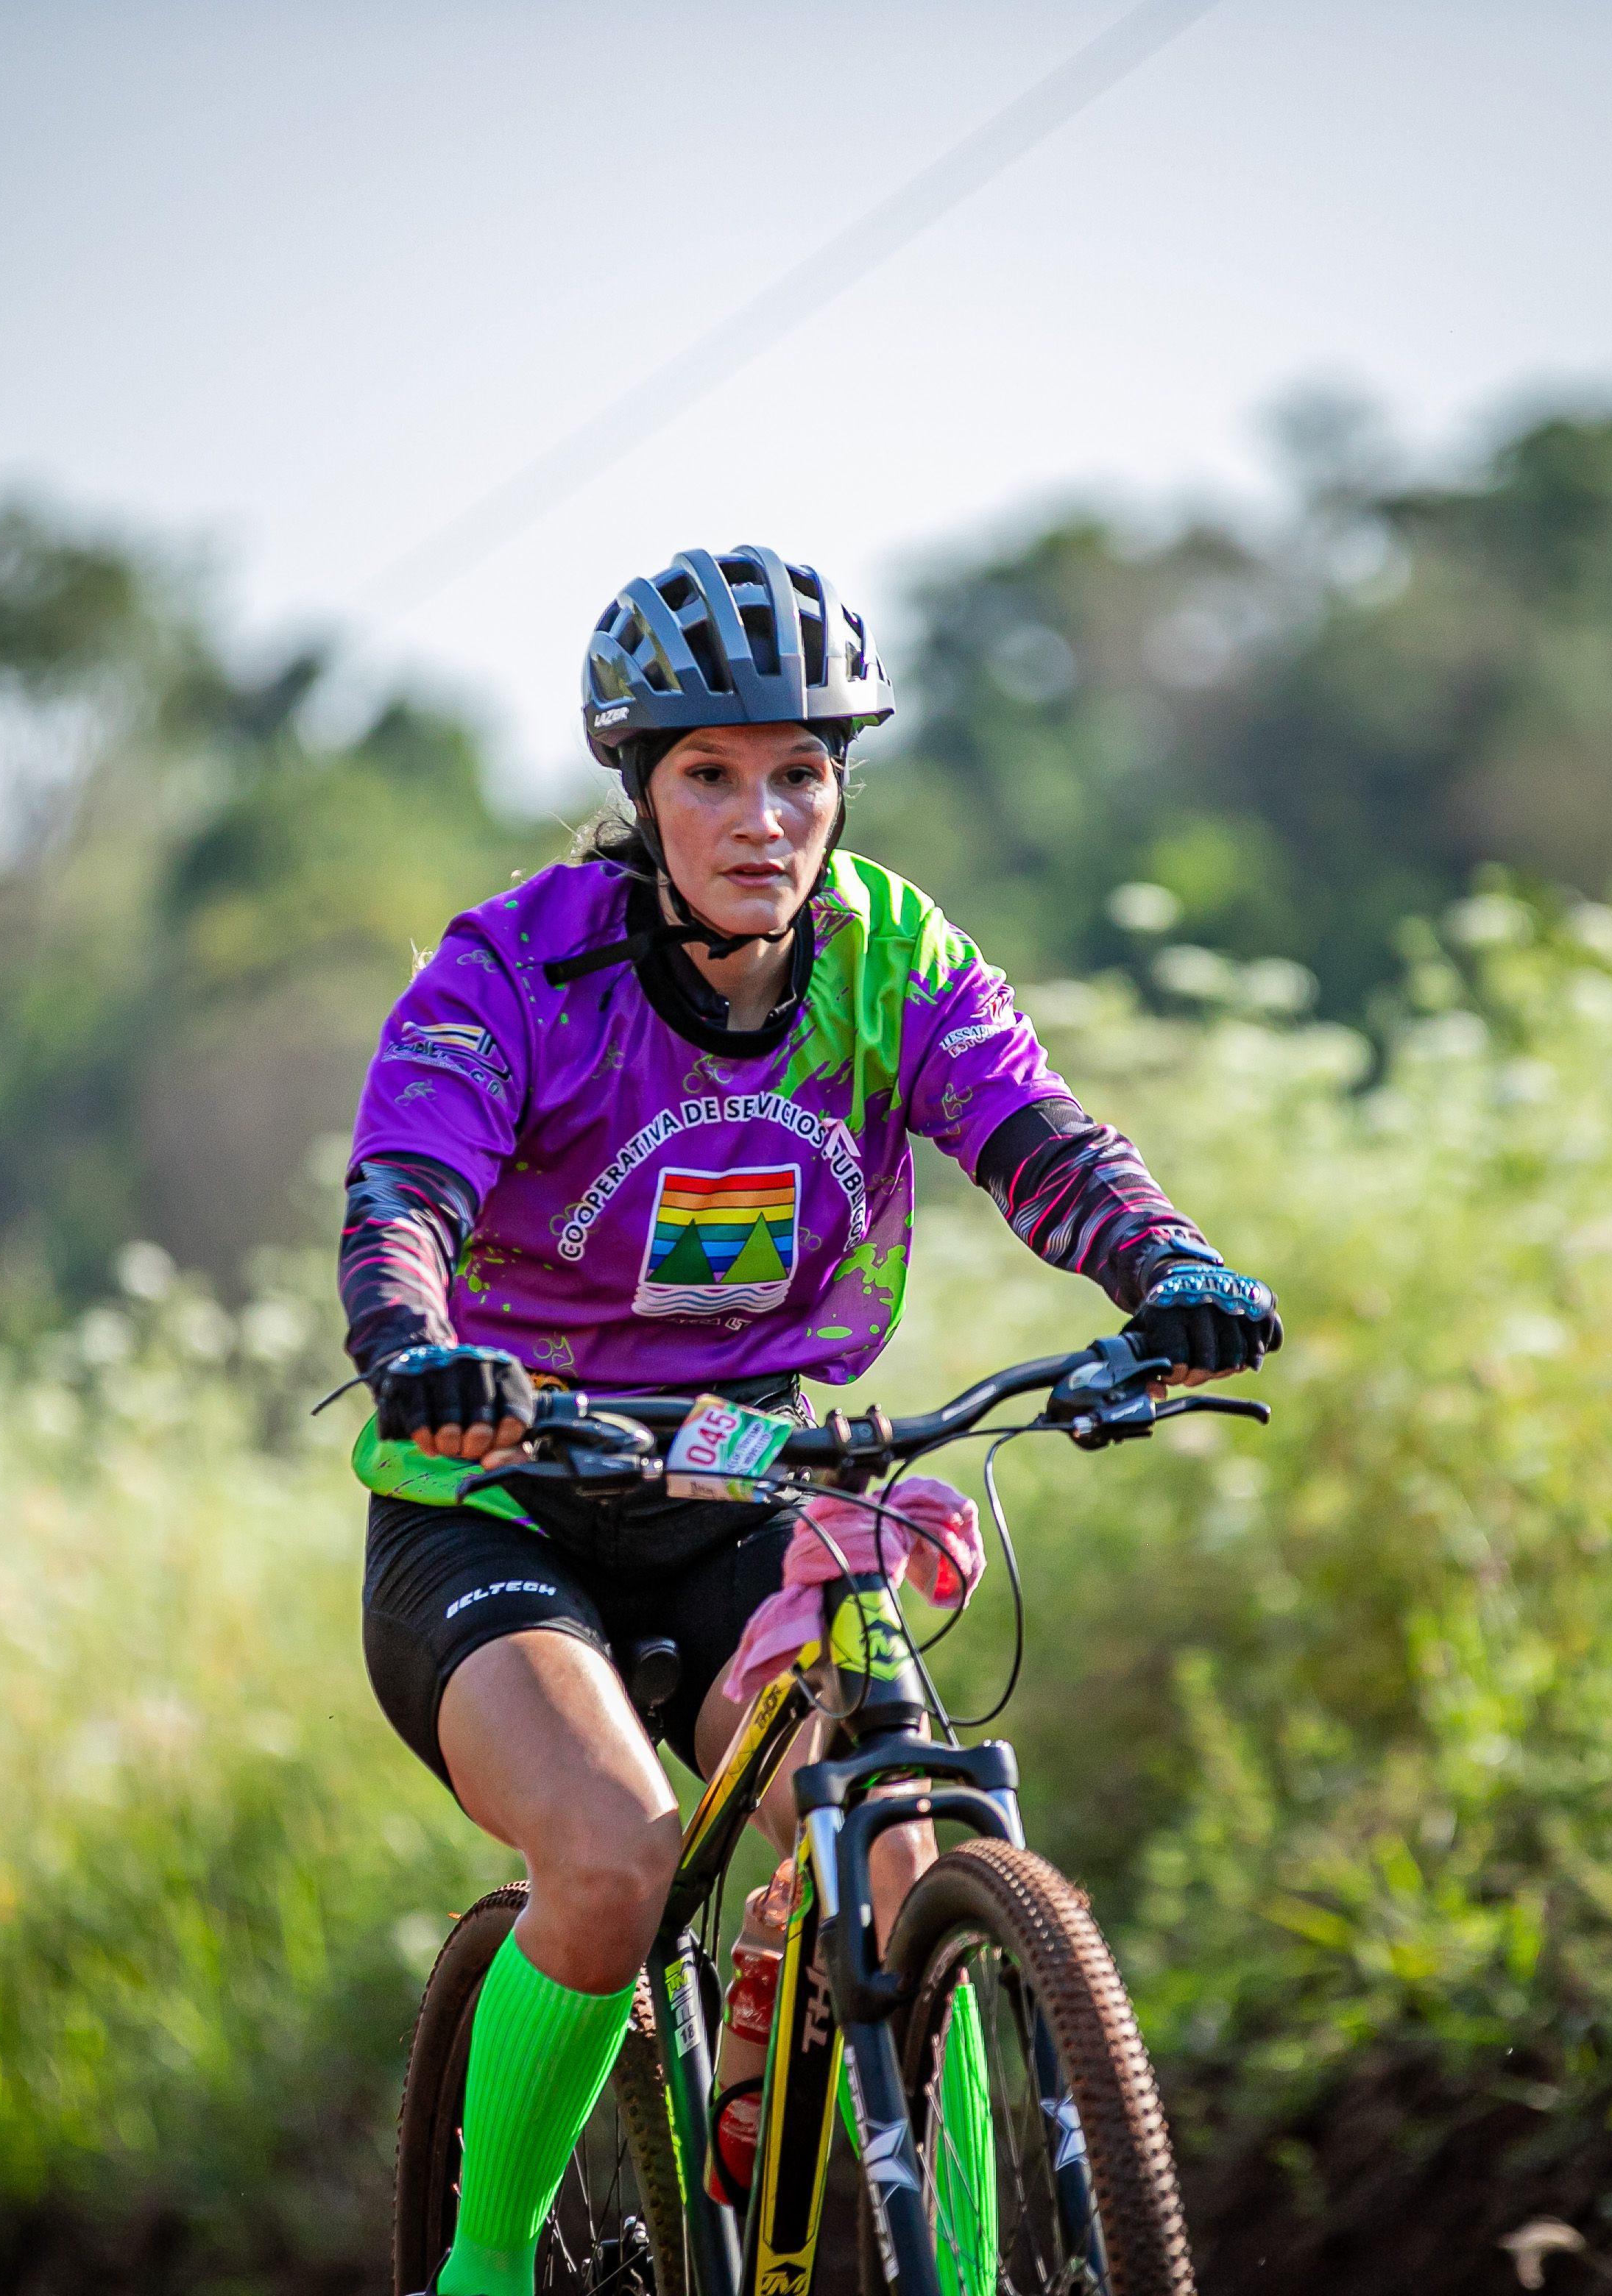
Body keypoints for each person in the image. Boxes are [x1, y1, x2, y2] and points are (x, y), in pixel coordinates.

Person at [339, 545, 1280, 2296]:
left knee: (897, 1848)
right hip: (497, 1498)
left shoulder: (887, 952)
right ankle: (483, 2267)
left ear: (843, 785)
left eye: (800, 773)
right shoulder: (517, 972)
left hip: (740, 1478)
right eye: (710, 774)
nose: (761, 819)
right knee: (614, 1860)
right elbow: (406, 1194)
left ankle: (922, 2214)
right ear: (641, 790)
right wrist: (415, 1349)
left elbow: (1039, 1137)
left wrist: (1169, 1270)